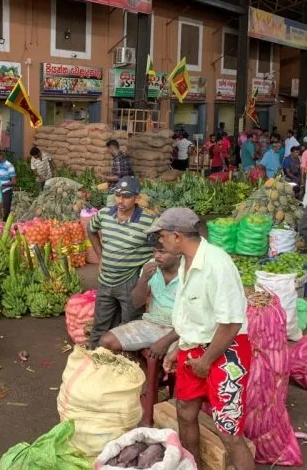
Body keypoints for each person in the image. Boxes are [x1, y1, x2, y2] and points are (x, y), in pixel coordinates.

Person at [151, 208, 254, 470]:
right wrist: (179, 346)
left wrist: (207, 360)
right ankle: (192, 466)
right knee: (185, 412)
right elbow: (192, 314)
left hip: (224, 351)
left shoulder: (217, 265)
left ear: (177, 236)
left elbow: (231, 322)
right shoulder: (186, 260)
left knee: (229, 432)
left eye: (162, 236)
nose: (159, 241)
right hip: (194, 349)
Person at [87, 177, 156, 347]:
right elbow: (91, 229)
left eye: (126, 196)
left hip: (130, 282)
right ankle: (93, 359)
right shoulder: (104, 214)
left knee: (130, 328)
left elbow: (160, 248)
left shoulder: (149, 221)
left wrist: (145, 275)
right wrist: (100, 255)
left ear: (137, 198)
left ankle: (126, 366)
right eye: (118, 195)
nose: (120, 200)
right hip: (105, 281)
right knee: (99, 325)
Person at [99, 243, 180, 356]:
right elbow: (137, 302)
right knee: (106, 341)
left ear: (178, 254)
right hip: (152, 323)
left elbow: (193, 322)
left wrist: (165, 341)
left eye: (162, 252)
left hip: (178, 330)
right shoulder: (150, 266)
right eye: (155, 251)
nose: (156, 255)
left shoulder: (189, 272)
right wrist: (144, 278)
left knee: (177, 358)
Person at [0, 148, 17, 220]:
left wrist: (2, 185)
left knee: (5, 211)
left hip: (6, 191)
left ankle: (4, 225)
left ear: (0, 156)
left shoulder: (9, 166)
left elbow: (14, 182)